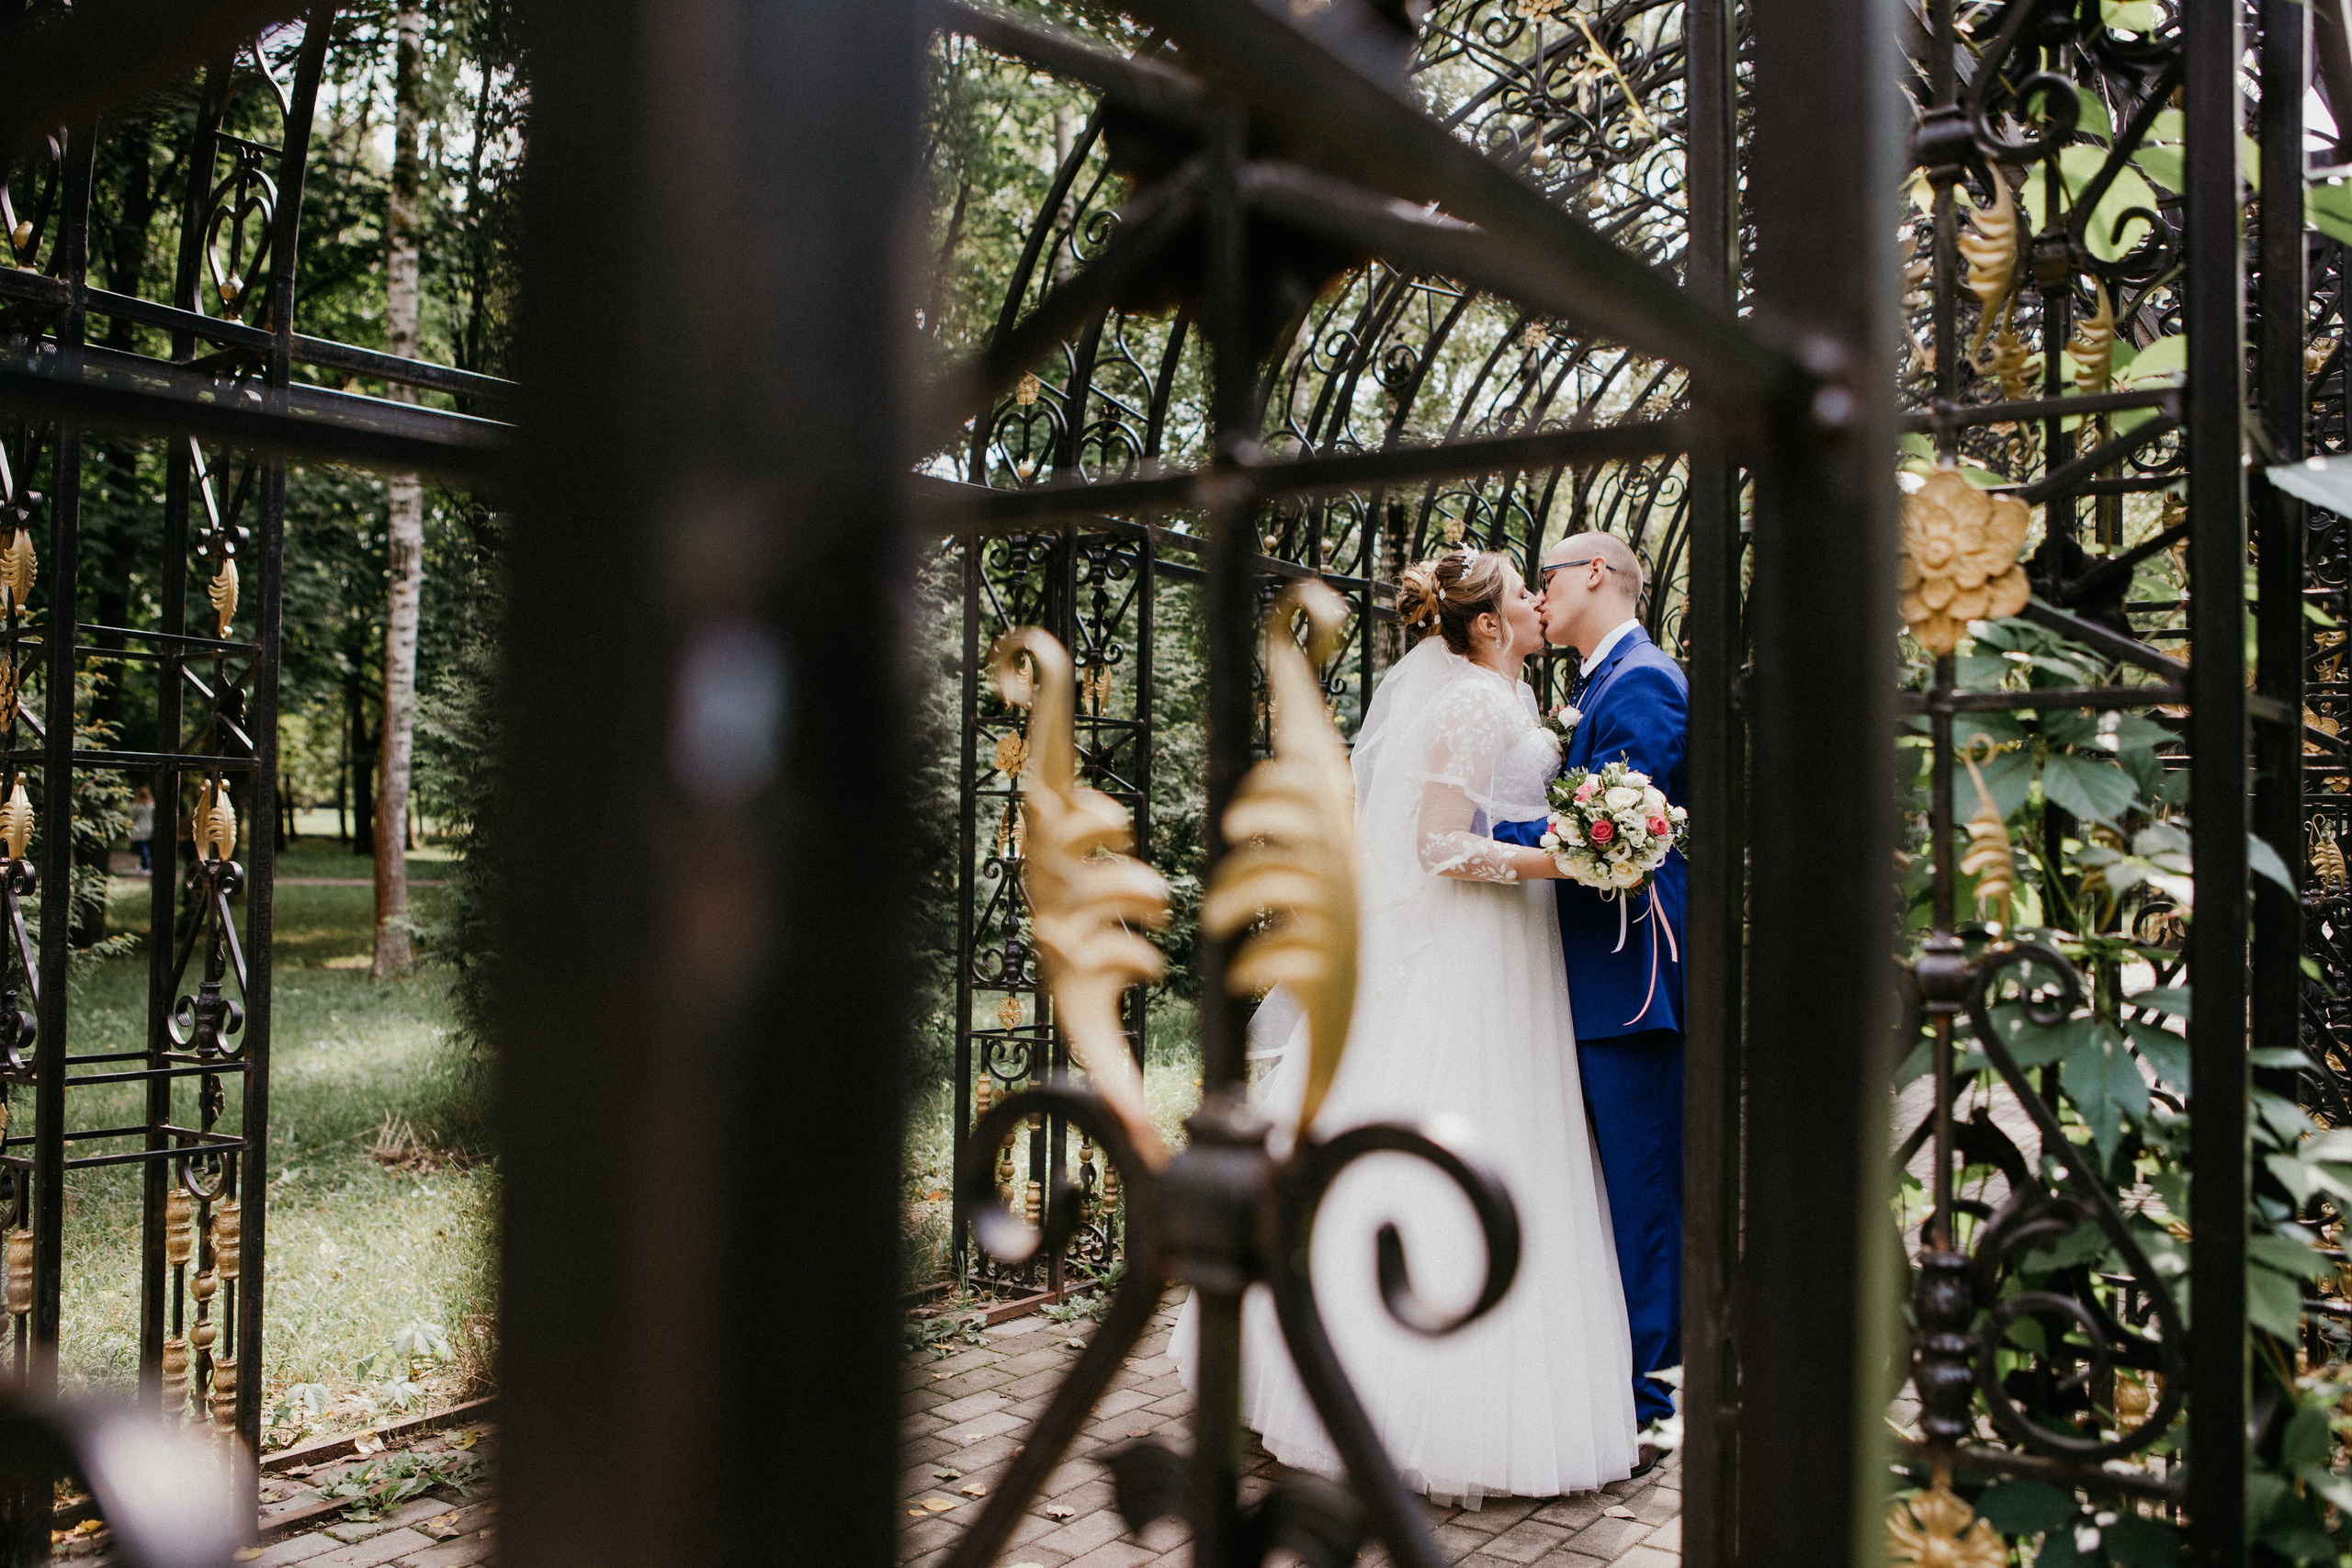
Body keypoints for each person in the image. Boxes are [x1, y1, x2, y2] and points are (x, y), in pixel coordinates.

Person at [1175, 547, 1637, 1506]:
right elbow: (1435, 842)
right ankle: (1396, 1396)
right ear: (1485, 626)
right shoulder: (1472, 701)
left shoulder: (1505, 701)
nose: (1536, 605)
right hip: (1472, 945)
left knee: (1514, 1136)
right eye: (1522, 594)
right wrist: (1572, 856)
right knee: (1457, 1117)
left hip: (1510, 947)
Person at [1492, 531, 1687, 1469]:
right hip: (1586, 970)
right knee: (1608, 1188)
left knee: (1639, 1190)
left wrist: (1483, 831)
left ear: (1595, 575)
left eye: (1549, 578)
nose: (1538, 593)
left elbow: (1614, 827)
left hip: (1629, 974)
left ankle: (1650, 1400)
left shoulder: (1643, 680)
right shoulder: (1601, 685)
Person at [128, 786, 154, 874]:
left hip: (139, 828)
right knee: (146, 847)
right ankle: (145, 864)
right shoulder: (151, 805)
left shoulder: (135, 805)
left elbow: (131, 818)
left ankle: (146, 866)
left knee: (143, 847)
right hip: (150, 828)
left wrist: (128, 828)